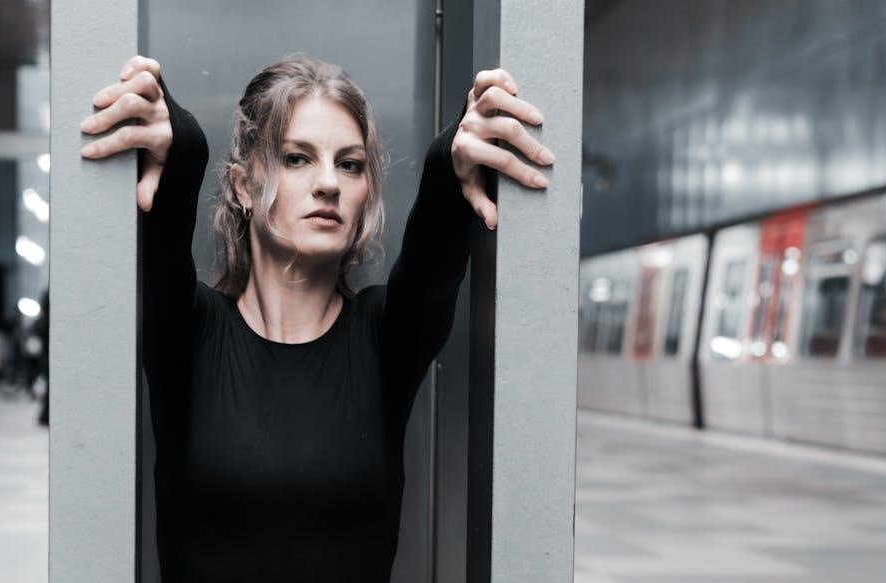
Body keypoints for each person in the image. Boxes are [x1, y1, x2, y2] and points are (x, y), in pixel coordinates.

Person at [80, 54, 553, 582]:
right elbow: (163, 240)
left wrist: (458, 150)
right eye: (296, 158)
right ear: (242, 186)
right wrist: (180, 140)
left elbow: (432, 259)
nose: (329, 183)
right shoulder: (188, 332)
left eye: (350, 164)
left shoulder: (385, 337)